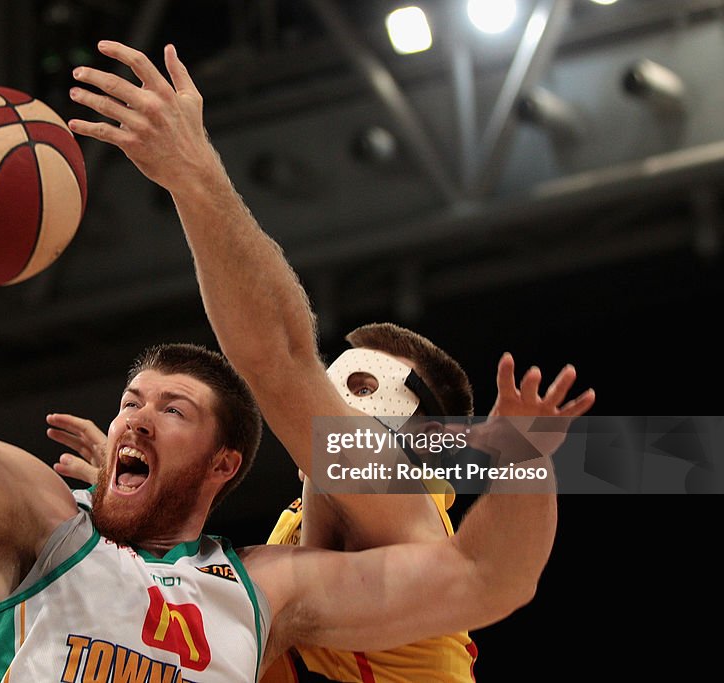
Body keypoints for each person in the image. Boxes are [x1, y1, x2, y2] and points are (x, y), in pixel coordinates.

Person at [0, 44, 570, 683]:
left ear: (223, 463)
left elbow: (488, 575)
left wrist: (525, 462)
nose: (135, 418)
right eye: (129, 402)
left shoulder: (275, 581)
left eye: (171, 409)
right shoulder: (34, 519)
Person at [64, 39, 595, 683]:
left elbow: (281, 358)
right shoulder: (296, 531)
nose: (335, 396)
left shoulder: (401, 505)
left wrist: (193, 172)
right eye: (340, 377)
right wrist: (135, 507)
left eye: (363, 386)